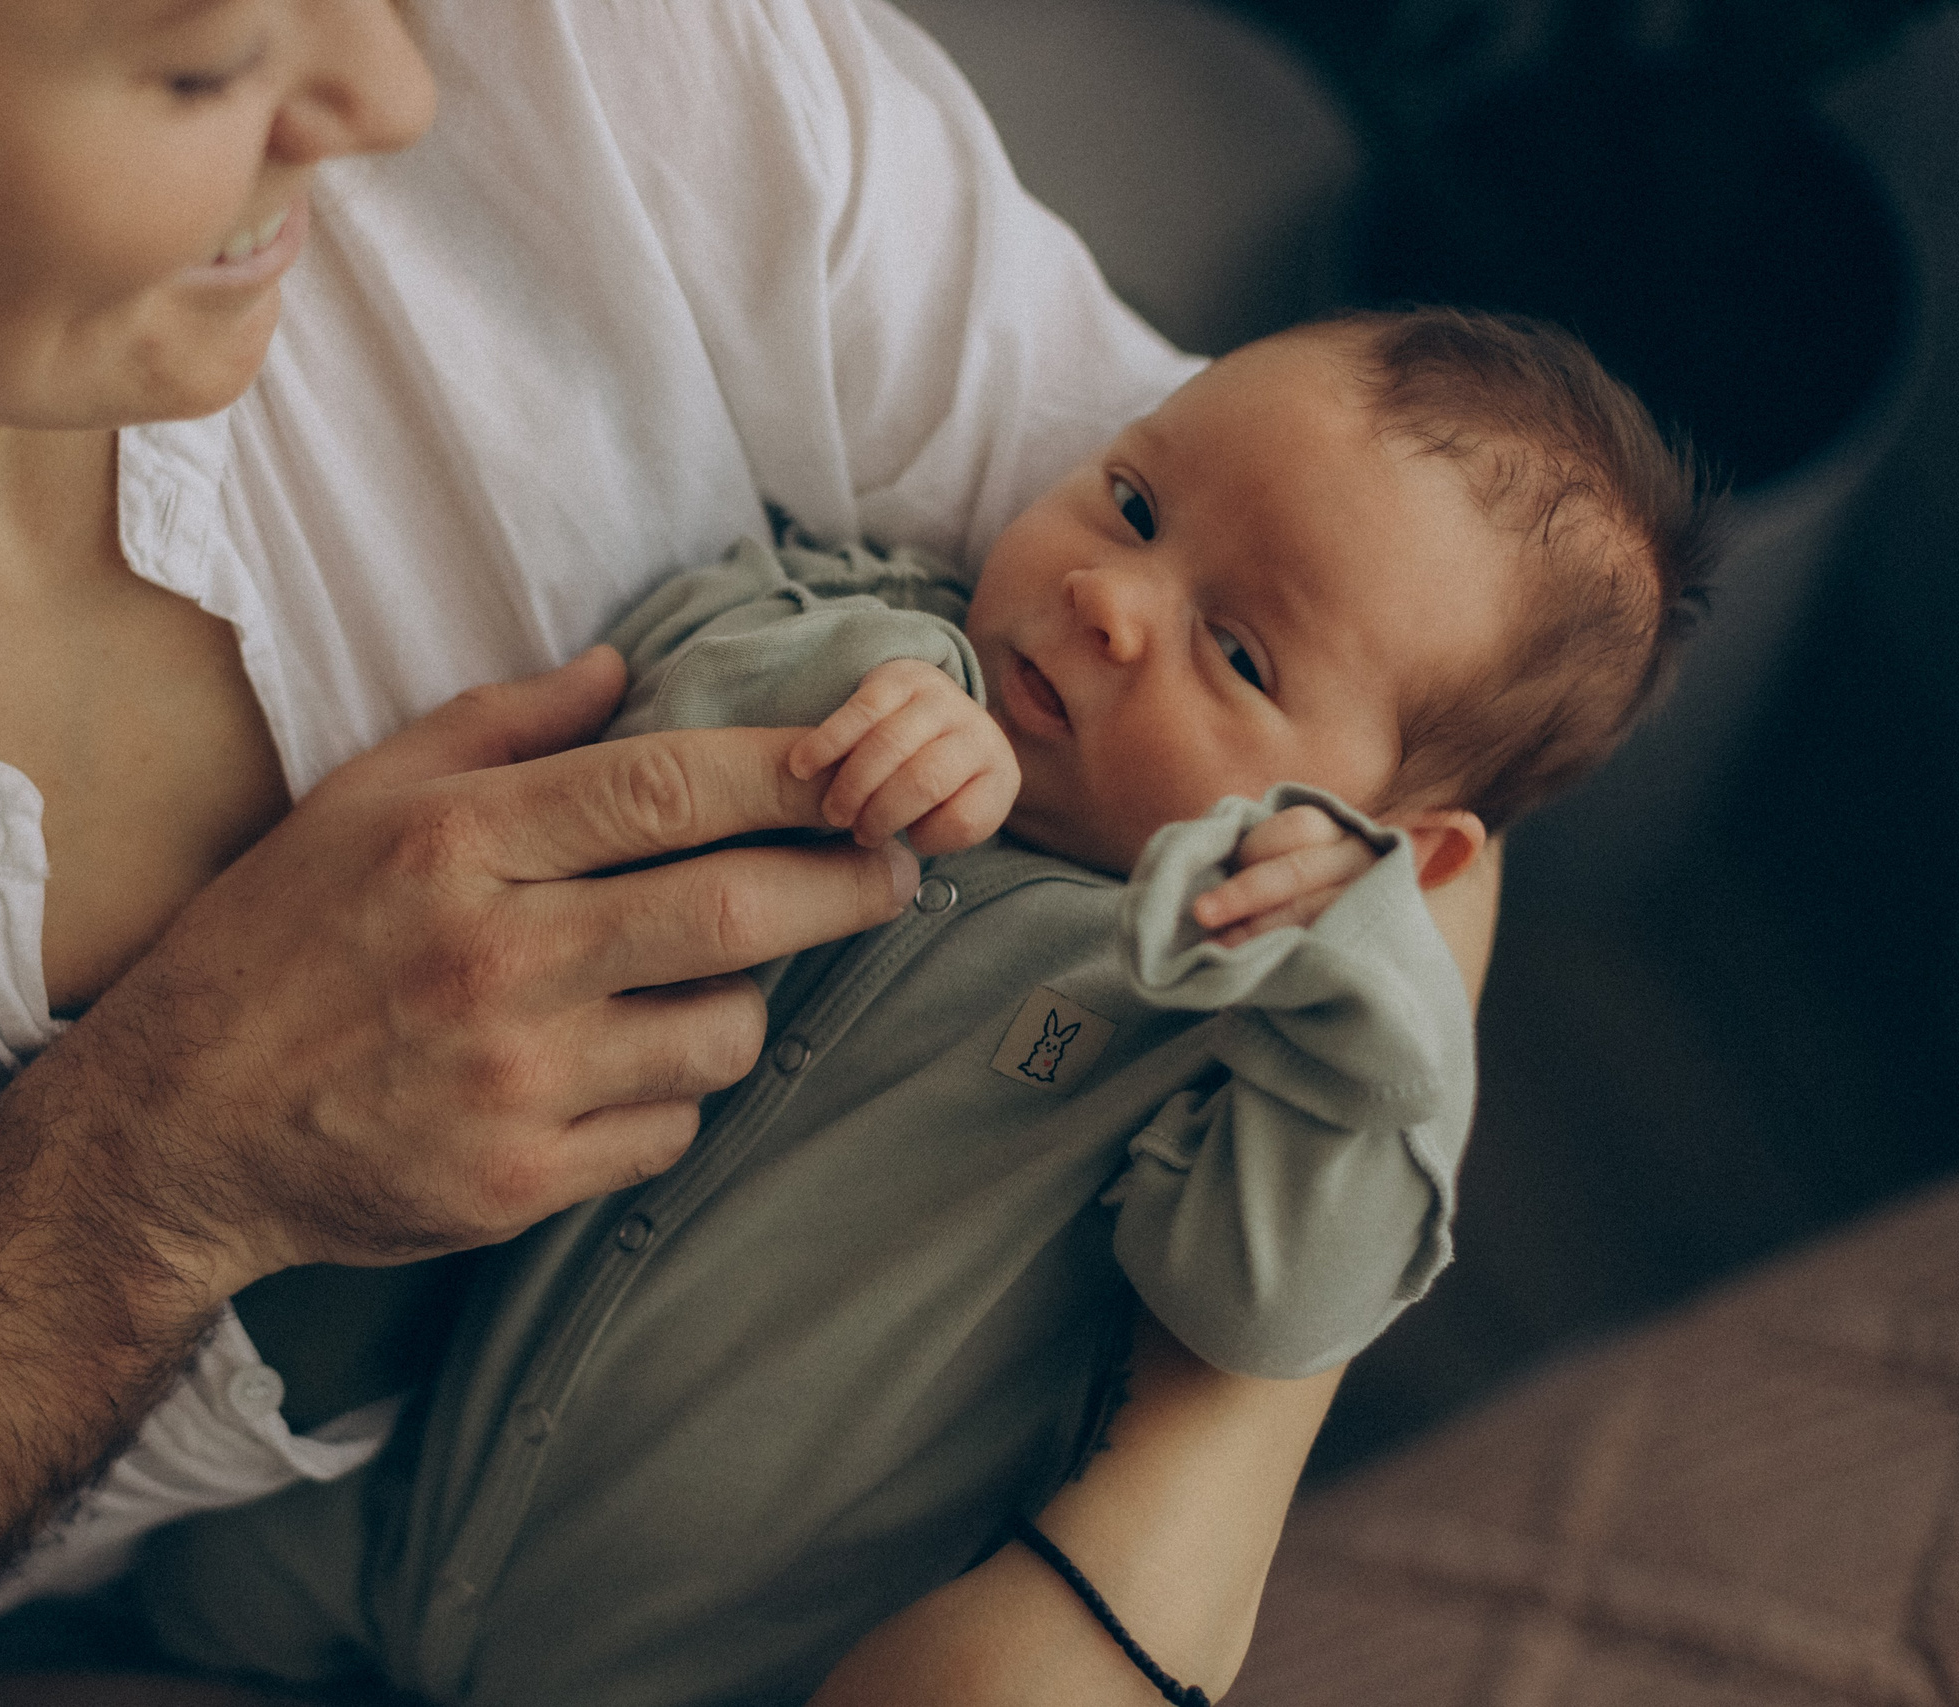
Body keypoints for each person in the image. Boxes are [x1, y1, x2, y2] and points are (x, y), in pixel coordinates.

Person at [0, 3, 1494, 1704]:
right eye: (199, 60)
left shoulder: (591, 62)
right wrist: (138, 1176)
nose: (395, 86)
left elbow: (1396, 731)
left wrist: (1123, 1572)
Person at [130, 308, 1713, 1705]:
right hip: (373, 1491)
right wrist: (873, 692)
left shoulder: (1233, 1037)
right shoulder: (888, 623)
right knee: (131, 1601)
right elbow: (665, 688)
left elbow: (1271, 1315)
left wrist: (1369, 982)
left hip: (720, 1665)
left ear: (1394, 847)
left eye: (1238, 651)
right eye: (1135, 501)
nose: (1109, 598)